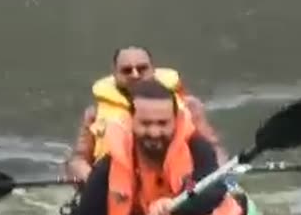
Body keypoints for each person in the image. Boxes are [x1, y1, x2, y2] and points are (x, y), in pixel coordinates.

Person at [38, 78, 245, 215]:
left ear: (175, 121)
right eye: (146, 124)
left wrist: (175, 206)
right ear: (131, 121)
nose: (154, 132)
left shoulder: (198, 149)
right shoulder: (109, 167)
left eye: (162, 123)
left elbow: (213, 192)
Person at [65, 46, 227, 185]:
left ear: (153, 70)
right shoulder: (95, 114)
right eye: (126, 70)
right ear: (114, 74)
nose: (135, 75)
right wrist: (93, 183)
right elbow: (78, 160)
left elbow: (214, 149)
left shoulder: (188, 106)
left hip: (182, 186)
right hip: (117, 190)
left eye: (142, 68)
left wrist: (218, 180)